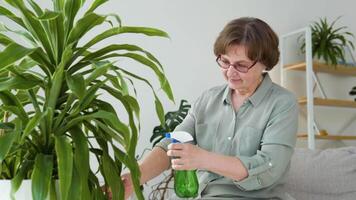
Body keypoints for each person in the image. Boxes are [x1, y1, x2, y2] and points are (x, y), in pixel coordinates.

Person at [119, 17, 298, 199]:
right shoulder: (208, 99)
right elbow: (171, 145)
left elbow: (269, 167)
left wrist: (203, 158)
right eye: (225, 62)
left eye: (241, 65)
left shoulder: (282, 103)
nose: (230, 72)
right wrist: (133, 179)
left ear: (265, 63)